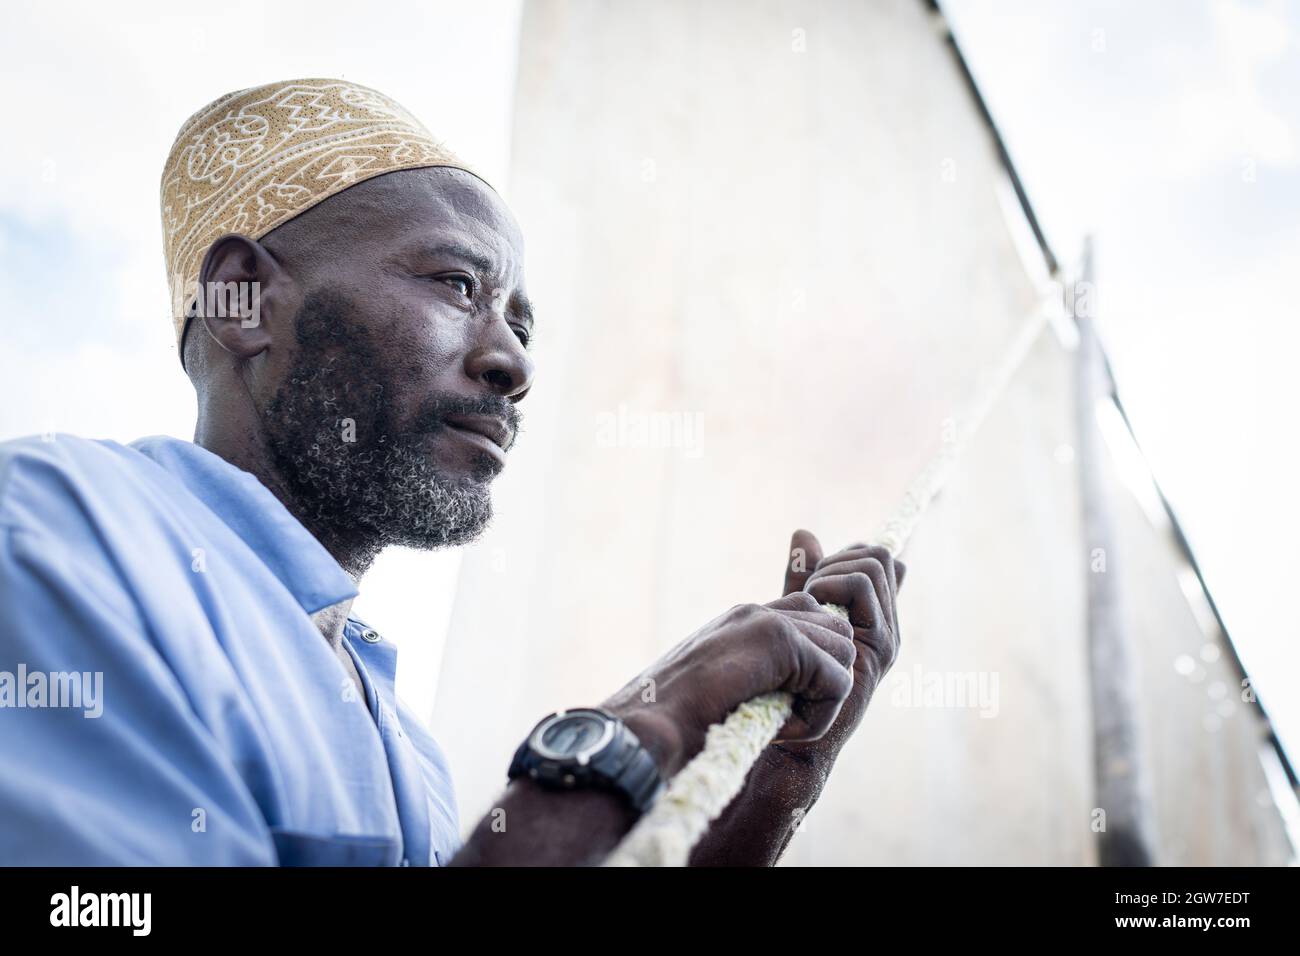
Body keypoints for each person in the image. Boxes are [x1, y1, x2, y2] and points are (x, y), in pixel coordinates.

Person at [0, 79, 902, 866]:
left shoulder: (406, 746)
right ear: (243, 300)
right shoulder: (59, 528)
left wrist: (778, 774)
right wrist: (642, 729)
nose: (514, 363)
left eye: (523, 324)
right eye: (458, 285)